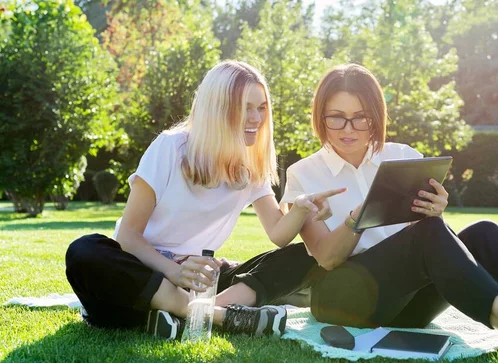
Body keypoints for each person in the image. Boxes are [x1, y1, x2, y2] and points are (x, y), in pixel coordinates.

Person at [280, 63, 498, 363]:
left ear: (375, 117)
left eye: (360, 118)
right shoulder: (303, 175)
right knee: (427, 234)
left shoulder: (402, 156)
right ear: (320, 117)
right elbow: (326, 257)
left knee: (482, 234)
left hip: (407, 304)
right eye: (336, 118)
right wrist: (355, 217)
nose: (348, 129)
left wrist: (435, 208)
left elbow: (426, 237)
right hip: (342, 300)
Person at [65, 61, 339, 340]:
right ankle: (215, 315)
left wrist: (302, 208)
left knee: (305, 256)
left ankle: (180, 315)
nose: (256, 118)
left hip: (199, 281)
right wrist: (175, 272)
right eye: (245, 107)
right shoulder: (170, 147)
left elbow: (279, 235)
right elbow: (129, 238)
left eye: (261, 107)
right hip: (141, 273)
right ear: (218, 107)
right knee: (84, 251)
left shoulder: (249, 165)